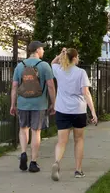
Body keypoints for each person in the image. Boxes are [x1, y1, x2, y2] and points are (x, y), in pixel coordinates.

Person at [50, 48, 98, 182]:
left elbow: (52, 62)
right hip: (78, 110)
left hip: (62, 109)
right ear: (75, 58)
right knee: (79, 140)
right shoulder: (81, 72)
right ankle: (78, 170)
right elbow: (86, 93)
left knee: (61, 141)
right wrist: (93, 112)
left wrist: (61, 53)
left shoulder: (59, 70)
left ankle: (57, 162)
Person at [10, 41, 56, 173]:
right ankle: (33, 162)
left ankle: (23, 153)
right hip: (39, 104)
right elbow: (51, 86)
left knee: (23, 129)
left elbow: (14, 86)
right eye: (42, 49)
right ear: (37, 50)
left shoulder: (20, 66)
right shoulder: (44, 66)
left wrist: (13, 104)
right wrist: (54, 103)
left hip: (23, 103)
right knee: (36, 131)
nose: (44, 51)